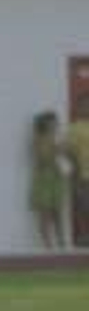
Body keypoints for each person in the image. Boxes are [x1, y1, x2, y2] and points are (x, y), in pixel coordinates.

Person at [28, 111, 67, 250]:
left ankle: (62, 243)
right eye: (51, 121)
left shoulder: (58, 138)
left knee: (58, 213)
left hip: (57, 178)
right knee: (45, 214)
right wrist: (55, 150)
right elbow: (42, 159)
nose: (55, 124)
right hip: (44, 178)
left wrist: (61, 150)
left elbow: (63, 157)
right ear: (44, 123)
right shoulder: (38, 139)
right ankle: (48, 246)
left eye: (55, 121)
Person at [64, 92, 89, 247]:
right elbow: (67, 152)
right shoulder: (73, 129)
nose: (87, 108)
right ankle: (83, 236)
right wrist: (75, 172)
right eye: (84, 105)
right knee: (82, 206)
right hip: (82, 174)